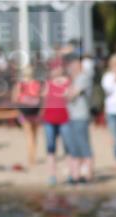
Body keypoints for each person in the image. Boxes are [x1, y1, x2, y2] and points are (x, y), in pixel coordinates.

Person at [64, 56, 94, 184]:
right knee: (74, 147)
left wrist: (68, 93)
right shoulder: (74, 79)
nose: (71, 67)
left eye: (73, 64)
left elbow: (71, 95)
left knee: (84, 146)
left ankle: (88, 175)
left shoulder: (83, 77)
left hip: (81, 116)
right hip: (71, 116)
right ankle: (76, 175)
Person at [41, 62, 71, 185]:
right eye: (54, 69)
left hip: (64, 118)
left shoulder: (67, 82)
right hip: (49, 119)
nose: (56, 72)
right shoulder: (47, 84)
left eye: (58, 69)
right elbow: (43, 98)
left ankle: (69, 172)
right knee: (50, 148)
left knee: (67, 147)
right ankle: (52, 175)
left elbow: (70, 97)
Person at [12, 65, 42, 166]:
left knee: (29, 136)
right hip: (35, 112)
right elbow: (40, 98)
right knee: (34, 136)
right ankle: (33, 157)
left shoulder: (20, 84)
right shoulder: (37, 84)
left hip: (25, 112)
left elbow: (15, 99)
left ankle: (31, 158)